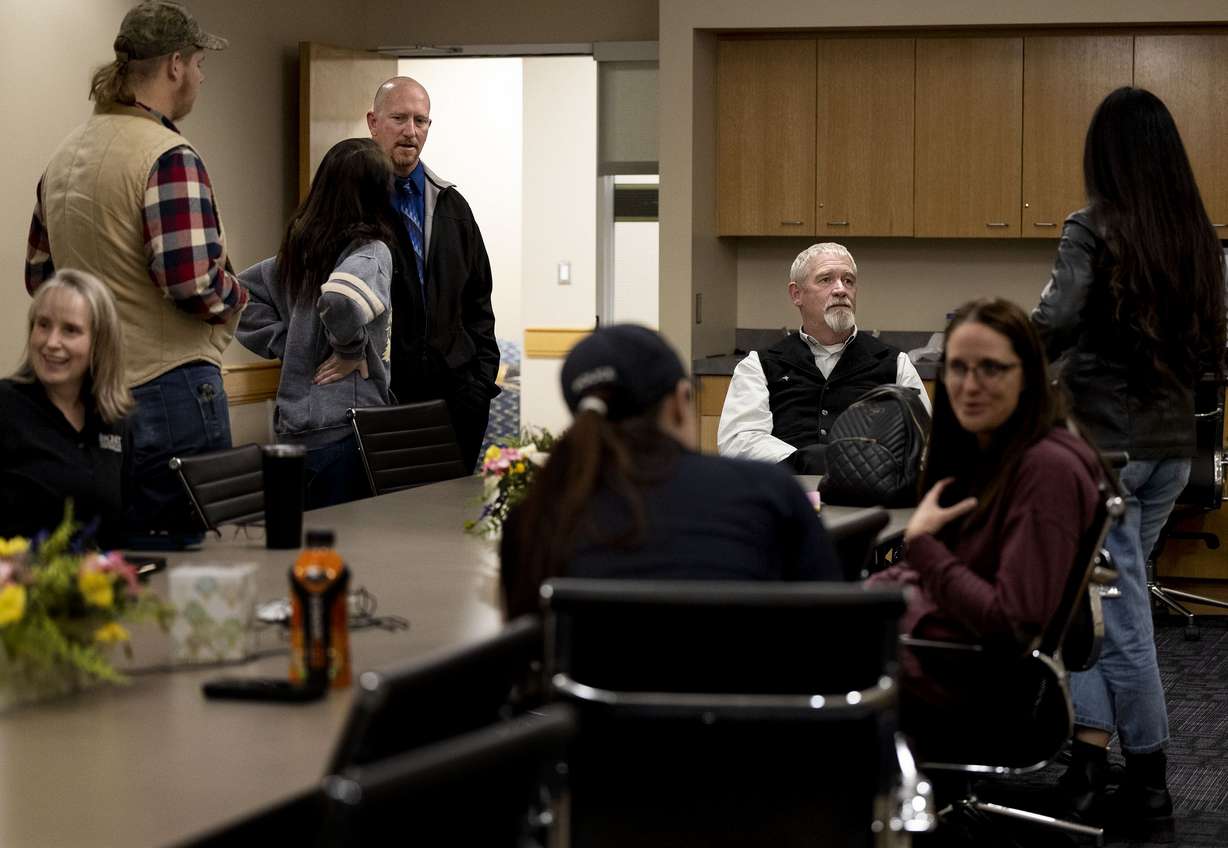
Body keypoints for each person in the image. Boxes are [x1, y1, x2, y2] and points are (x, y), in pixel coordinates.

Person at [1031, 86, 1227, 843]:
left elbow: (1055, 318)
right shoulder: (1196, 237)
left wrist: (991, 353)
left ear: (1105, 153)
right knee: (1102, 607)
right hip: (1170, 449)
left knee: (1120, 617)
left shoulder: (1093, 226)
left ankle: (1148, 777)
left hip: (1105, 450)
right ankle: (1089, 762)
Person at [25, 0, 246, 541]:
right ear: (174, 64)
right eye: (197, 63)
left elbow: (42, 280)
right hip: (172, 394)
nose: (199, 75)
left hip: (94, 396)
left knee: (118, 570)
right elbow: (191, 282)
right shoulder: (168, 156)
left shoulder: (64, 156)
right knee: (186, 573)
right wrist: (241, 295)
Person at [868, 298, 1103, 745]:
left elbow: (1010, 621)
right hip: (930, 649)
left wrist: (923, 545)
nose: (969, 385)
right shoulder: (998, 450)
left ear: (1029, 375)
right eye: (958, 368)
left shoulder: (1046, 468)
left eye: (991, 369)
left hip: (962, 678)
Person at [499, 324, 841, 620]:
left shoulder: (534, 517)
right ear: (680, 401)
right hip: (744, 694)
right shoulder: (769, 491)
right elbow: (833, 626)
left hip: (593, 696)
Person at [237, 138, 398, 509]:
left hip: (295, 433)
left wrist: (292, 344)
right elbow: (339, 298)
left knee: (306, 552)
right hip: (346, 432)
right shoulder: (371, 251)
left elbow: (240, 294)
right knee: (347, 554)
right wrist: (349, 349)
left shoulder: (300, 250)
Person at [366, 76, 500, 473]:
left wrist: (479, 385)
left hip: (456, 403)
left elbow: (479, 303)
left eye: (421, 121)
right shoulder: (353, 203)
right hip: (381, 399)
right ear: (373, 122)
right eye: (399, 118)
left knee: (447, 526)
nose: (411, 132)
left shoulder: (453, 207)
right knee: (384, 525)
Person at [717, 242, 930, 474]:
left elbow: (923, 441)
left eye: (848, 281)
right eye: (826, 279)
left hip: (870, 494)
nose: (841, 289)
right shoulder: (760, 365)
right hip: (788, 492)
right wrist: (804, 459)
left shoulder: (895, 363)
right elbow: (739, 441)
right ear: (796, 294)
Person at [0, 271, 134, 548]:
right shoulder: (6, 406)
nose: (51, 342)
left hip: (95, 583)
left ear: (100, 342)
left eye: (70, 330)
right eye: (43, 325)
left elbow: (125, 528)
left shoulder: (115, 419)